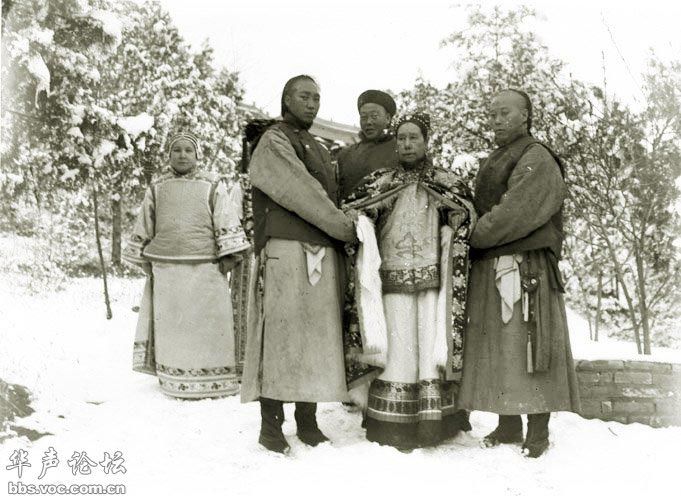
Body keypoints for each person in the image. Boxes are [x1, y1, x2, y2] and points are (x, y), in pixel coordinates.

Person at [458, 89, 581, 458]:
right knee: (501, 347)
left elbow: (515, 211)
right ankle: (508, 422)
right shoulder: (496, 158)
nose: (496, 119)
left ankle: (537, 430)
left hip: (527, 266)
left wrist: (473, 236)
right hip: (493, 264)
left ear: (525, 116)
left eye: (504, 113)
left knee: (531, 344)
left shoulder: (537, 157)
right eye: (492, 113)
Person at [342, 113, 475, 450]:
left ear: (427, 142)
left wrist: (456, 220)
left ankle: (437, 422)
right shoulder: (380, 181)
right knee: (398, 351)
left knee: (430, 349)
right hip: (392, 282)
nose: (407, 143)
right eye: (401, 138)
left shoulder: (445, 181)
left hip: (433, 282)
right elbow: (356, 211)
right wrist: (360, 220)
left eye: (414, 137)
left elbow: (465, 215)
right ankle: (393, 425)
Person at [240, 75, 356, 454]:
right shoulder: (274, 140)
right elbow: (302, 193)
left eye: (317, 98)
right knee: (281, 337)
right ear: (286, 99)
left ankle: (307, 421)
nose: (312, 104)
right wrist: (342, 227)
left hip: (321, 251)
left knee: (314, 337)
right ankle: (271, 427)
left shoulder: (319, 147)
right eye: (304, 96)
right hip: (287, 249)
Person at [123, 132, 250, 399]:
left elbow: (224, 216)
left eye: (188, 151)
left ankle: (215, 379)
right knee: (175, 325)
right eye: (176, 150)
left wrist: (228, 254)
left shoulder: (213, 183)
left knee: (209, 322)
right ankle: (174, 378)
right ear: (168, 156)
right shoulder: (157, 187)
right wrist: (143, 256)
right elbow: (145, 222)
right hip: (168, 268)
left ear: (197, 155)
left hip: (206, 266)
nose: (182, 155)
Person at [337, 90, 398, 202]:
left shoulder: (401, 150)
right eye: (363, 117)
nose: (368, 122)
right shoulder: (345, 154)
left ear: (388, 118)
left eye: (374, 116)